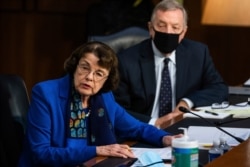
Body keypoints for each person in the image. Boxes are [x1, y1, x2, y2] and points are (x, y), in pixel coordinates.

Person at [18, 41, 182, 167]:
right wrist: (97, 150)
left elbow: (136, 127)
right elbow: (41, 153)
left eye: (99, 73)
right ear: (74, 67)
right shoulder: (46, 94)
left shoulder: (104, 98)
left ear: (106, 81)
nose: (89, 77)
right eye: (84, 68)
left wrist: (165, 139)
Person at [113, 0, 228, 129]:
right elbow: (116, 108)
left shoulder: (198, 54)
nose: (168, 32)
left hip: (184, 128)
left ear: (183, 32)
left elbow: (219, 88)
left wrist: (187, 102)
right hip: (144, 130)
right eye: (161, 25)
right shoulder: (126, 60)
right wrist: (153, 123)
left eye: (175, 27)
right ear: (151, 28)